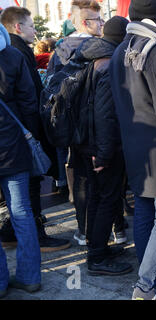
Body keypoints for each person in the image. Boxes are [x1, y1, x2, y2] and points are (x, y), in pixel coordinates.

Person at [109, 0, 156, 300]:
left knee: (144, 211)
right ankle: (146, 286)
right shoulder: (154, 49)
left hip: (134, 145)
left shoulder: (119, 49)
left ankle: (150, 280)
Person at [1, 6, 70, 252]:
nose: (36, 30)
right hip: (17, 136)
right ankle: (34, 242)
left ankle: (10, 235)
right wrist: (35, 135)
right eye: (32, 26)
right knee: (26, 197)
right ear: (18, 27)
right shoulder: (15, 53)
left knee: (20, 199)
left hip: (11, 136)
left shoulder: (13, 50)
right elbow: (28, 99)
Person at [69, 16, 132, 276]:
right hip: (100, 146)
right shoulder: (108, 63)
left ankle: (98, 248)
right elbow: (105, 115)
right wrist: (105, 154)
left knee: (98, 198)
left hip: (85, 141)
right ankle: (97, 257)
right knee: (106, 200)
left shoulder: (90, 55)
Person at [46, 0, 104, 247]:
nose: (102, 24)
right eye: (98, 20)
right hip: (96, 127)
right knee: (101, 185)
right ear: (84, 22)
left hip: (72, 131)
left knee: (80, 183)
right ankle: (103, 235)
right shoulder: (101, 49)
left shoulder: (58, 52)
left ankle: (84, 230)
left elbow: (49, 90)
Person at [0, 23, 41, 297]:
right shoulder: (13, 55)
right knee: (22, 213)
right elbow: (30, 103)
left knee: (21, 212)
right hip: (14, 146)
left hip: (11, 145)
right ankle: (30, 277)